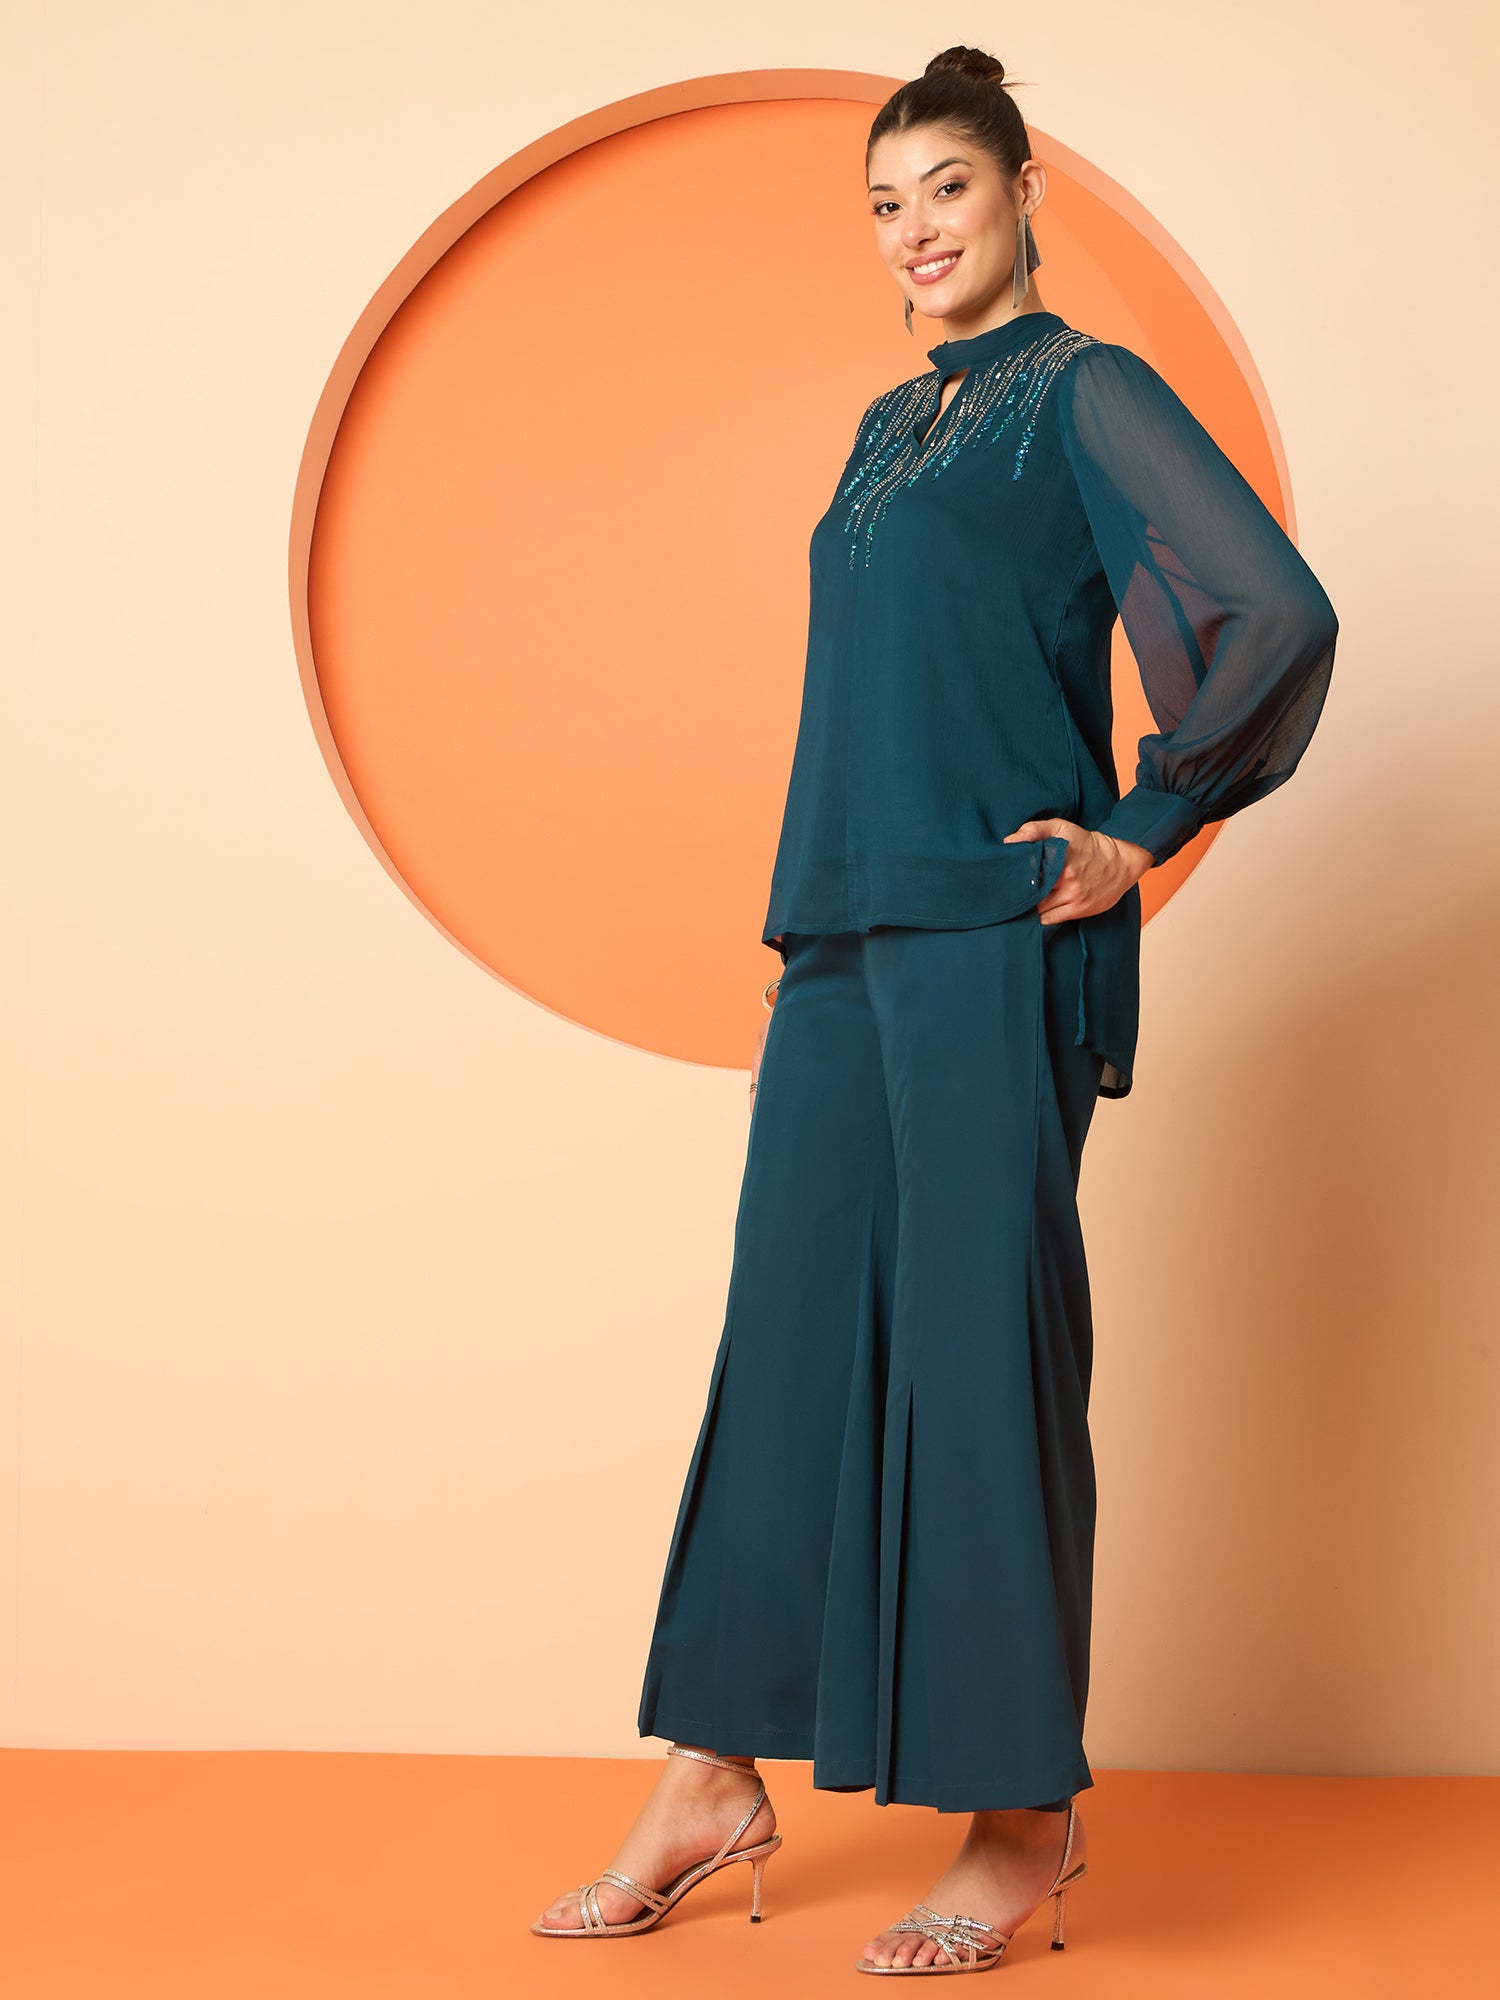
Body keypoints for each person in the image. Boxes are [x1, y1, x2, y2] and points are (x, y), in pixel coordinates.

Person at [530, 43, 1338, 1977]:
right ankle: (712, 1772)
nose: (915, 231)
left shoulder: (1086, 391)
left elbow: (1275, 612)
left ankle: (1020, 1823)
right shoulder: (885, 426)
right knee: (788, 1342)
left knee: (979, 1357)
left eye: (948, 189)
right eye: (886, 205)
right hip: (842, 935)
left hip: (991, 931)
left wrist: (1140, 828)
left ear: (1024, 192)